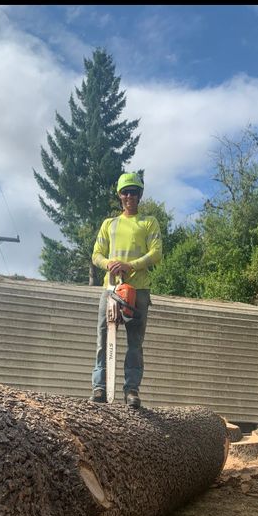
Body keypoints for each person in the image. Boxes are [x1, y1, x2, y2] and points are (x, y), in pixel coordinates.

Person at [90, 171, 162, 407]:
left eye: (134, 192)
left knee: (135, 343)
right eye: (125, 192)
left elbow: (156, 253)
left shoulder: (148, 222)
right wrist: (108, 263)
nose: (129, 196)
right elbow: (96, 255)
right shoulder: (109, 224)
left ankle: (131, 390)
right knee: (103, 338)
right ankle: (99, 387)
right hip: (111, 289)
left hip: (138, 290)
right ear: (119, 195)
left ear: (140, 195)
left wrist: (130, 265)